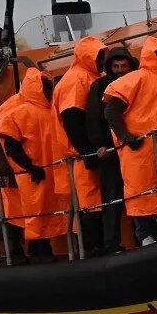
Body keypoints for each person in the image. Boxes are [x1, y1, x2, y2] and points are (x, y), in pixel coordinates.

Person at [104, 36, 157, 246]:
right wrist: (126, 138)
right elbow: (111, 110)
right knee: (139, 191)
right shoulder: (133, 79)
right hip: (138, 149)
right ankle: (145, 236)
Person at [0, 67, 69, 261]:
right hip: (17, 172)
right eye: (46, 88)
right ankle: (17, 251)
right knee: (13, 211)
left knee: (34, 210)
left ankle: (38, 246)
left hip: (36, 171)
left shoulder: (45, 108)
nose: (50, 93)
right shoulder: (17, 106)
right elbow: (1, 136)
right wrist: (12, 166)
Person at [53, 36, 112, 254]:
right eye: (99, 57)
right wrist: (89, 154)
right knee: (90, 202)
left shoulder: (89, 76)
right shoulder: (76, 80)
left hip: (92, 152)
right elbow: (72, 119)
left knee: (95, 200)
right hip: (81, 156)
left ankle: (100, 244)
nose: (102, 62)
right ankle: (95, 247)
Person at [83, 45, 138, 251]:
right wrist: (99, 145)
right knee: (112, 198)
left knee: (139, 193)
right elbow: (94, 117)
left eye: (124, 65)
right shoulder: (100, 85)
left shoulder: (137, 81)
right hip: (111, 151)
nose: (120, 69)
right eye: (115, 66)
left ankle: (143, 236)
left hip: (134, 147)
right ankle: (111, 243)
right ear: (109, 67)